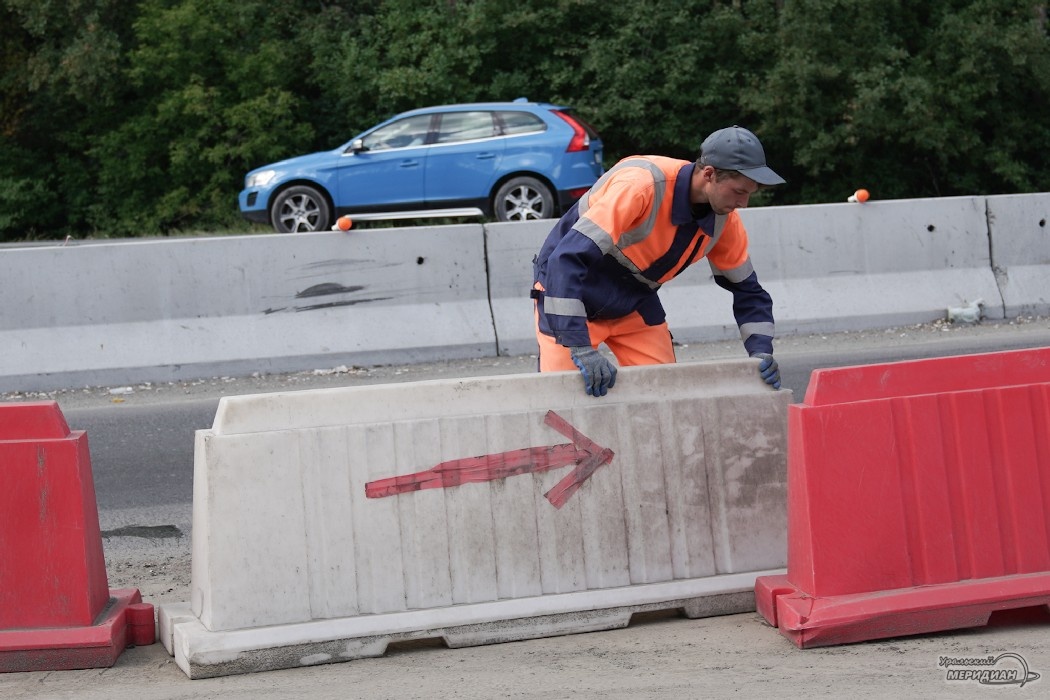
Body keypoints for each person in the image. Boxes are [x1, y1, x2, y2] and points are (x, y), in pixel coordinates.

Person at [531, 125, 784, 397]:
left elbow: (748, 291)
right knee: (562, 400)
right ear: (709, 174)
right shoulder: (640, 186)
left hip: (633, 300)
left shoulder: (724, 221)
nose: (744, 203)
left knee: (665, 396)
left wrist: (760, 352)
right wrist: (578, 345)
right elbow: (567, 260)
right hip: (570, 291)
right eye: (738, 191)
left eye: (749, 193)